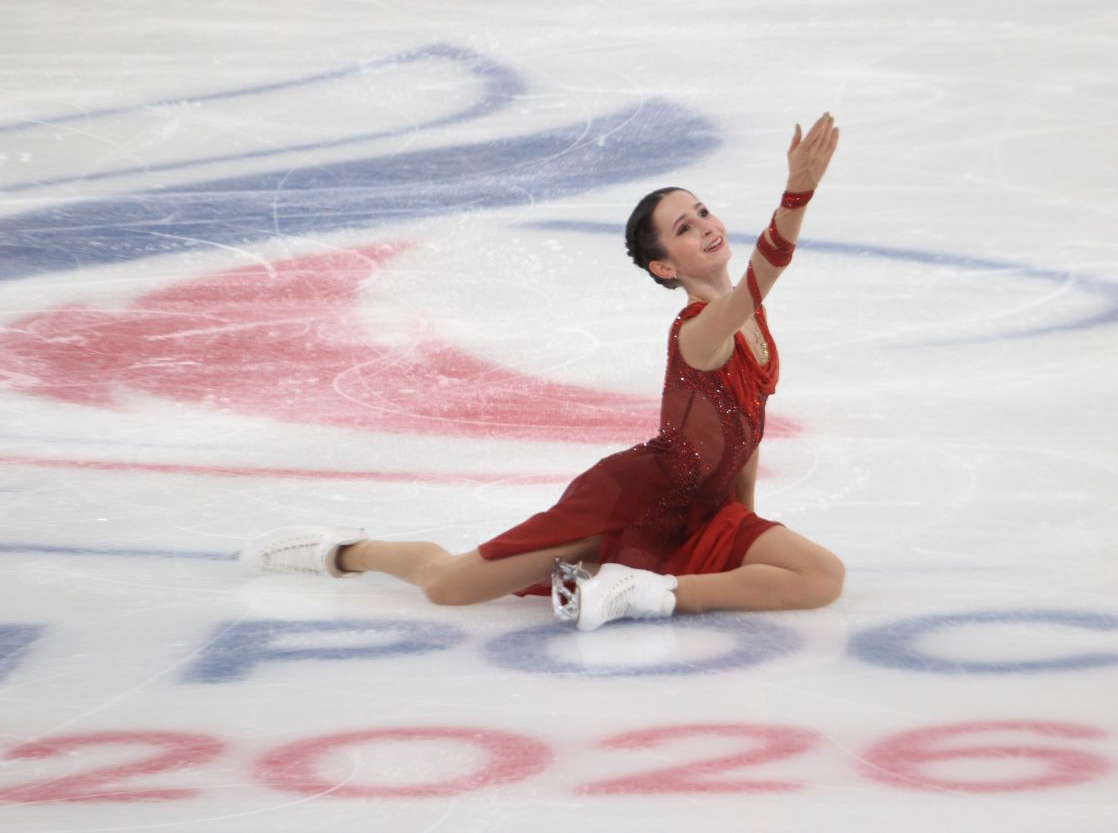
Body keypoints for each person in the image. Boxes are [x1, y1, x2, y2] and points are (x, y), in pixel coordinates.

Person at [240, 113, 844, 631]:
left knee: (822, 576)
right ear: (665, 268)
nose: (707, 225)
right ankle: (345, 551)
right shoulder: (700, 326)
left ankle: (646, 592)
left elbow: (747, 427)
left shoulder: (752, 320)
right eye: (684, 228)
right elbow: (766, 272)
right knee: (451, 585)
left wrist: (745, 517)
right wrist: (798, 194)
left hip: (702, 507)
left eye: (702, 212)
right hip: (636, 499)